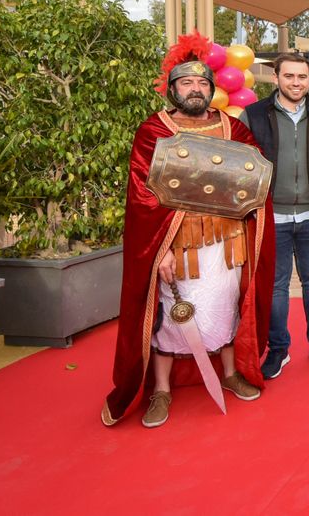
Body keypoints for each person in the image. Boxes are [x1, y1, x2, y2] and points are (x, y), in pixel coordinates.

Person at [103, 33, 275, 429]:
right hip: (175, 244)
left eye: (202, 84)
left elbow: (254, 178)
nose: (195, 90)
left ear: (211, 89)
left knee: (224, 308)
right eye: (187, 83)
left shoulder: (232, 129)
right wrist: (158, 249)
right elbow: (143, 196)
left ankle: (231, 374)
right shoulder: (154, 131)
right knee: (172, 317)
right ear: (173, 89)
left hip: (226, 243)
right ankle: (160, 389)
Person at [240, 51, 309, 378]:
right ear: (276, 78)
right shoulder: (252, 116)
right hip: (271, 218)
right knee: (276, 287)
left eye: (302, 77)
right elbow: (239, 168)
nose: (296, 82)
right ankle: (278, 348)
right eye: (289, 76)